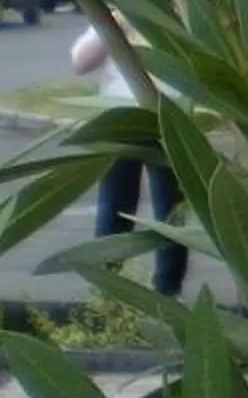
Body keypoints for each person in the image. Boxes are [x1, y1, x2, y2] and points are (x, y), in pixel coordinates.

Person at [72, 26, 184, 295]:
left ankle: (167, 290)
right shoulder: (115, 14)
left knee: (171, 209)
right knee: (115, 203)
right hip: (120, 120)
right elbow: (80, 62)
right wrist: (111, 28)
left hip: (168, 120)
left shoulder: (176, 16)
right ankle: (108, 285)